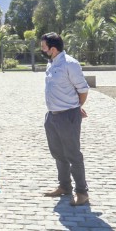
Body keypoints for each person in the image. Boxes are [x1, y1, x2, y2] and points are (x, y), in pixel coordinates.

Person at [41, 32, 90, 206]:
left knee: (73, 154)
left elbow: (83, 90)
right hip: (52, 116)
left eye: (44, 47)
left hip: (67, 116)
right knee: (58, 153)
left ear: (53, 49)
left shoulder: (70, 64)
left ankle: (82, 192)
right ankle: (64, 186)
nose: (42, 50)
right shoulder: (51, 63)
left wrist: (76, 108)